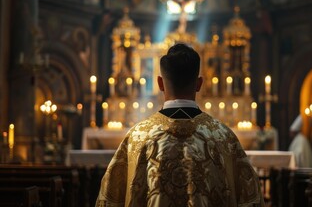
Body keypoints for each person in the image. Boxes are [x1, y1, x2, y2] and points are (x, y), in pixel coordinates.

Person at [96, 43, 264, 206]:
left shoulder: (137, 138)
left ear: (160, 83)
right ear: (199, 84)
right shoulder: (224, 137)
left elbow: (111, 199)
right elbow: (249, 199)